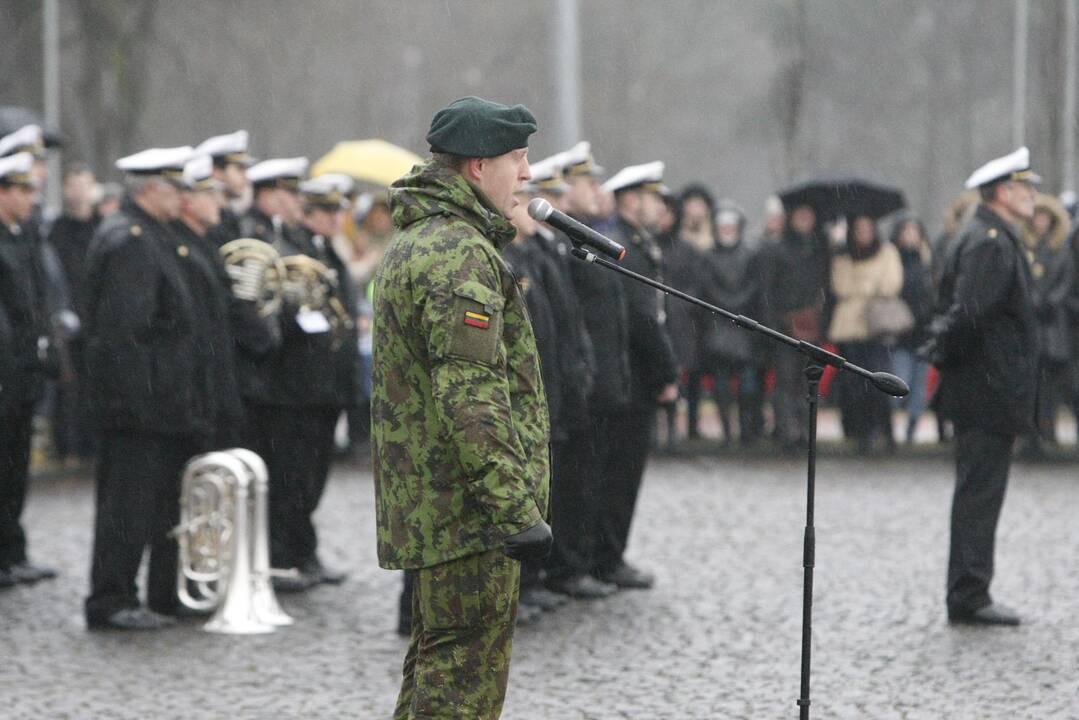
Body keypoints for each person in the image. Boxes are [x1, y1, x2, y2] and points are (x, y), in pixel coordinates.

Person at [371, 96, 552, 720]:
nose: (527, 174)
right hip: (466, 515)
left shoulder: (423, 238)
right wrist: (515, 509)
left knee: (435, 676)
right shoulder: (457, 254)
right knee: (459, 693)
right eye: (518, 158)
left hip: (439, 507)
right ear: (477, 166)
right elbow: (469, 394)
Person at [82, 145, 215, 630]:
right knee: (126, 509)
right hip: (137, 407)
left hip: (162, 402)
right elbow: (125, 336)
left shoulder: (153, 234)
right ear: (150, 189)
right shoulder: (130, 240)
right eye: (174, 187)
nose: (182, 196)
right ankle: (112, 599)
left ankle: (159, 594)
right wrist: (141, 407)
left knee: (157, 505)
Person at [923, 146, 1040, 626]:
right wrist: (941, 352)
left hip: (984, 386)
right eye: (1026, 187)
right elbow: (969, 314)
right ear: (1003, 192)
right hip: (986, 389)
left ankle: (970, 588)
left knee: (978, 491)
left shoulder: (988, 235)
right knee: (979, 493)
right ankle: (969, 593)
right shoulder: (991, 241)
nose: (1034, 195)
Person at [254, 176, 358, 589]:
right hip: (295, 387)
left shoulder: (327, 251)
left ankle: (304, 549)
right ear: (308, 213)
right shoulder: (290, 253)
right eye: (326, 213)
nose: (334, 220)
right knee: (290, 478)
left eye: (337, 212)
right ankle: (285, 555)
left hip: (324, 387)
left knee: (312, 477)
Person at [531, 143, 615, 601]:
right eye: (554, 195)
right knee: (555, 486)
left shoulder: (556, 248)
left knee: (574, 483)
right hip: (548, 389)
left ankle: (564, 566)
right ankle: (550, 571)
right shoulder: (535, 252)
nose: (561, 204)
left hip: (568, 384)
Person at [596, 160, 678, 589]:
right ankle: (607, 556)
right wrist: (665, 371)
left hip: (634, 375)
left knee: (624, 473)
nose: (659, 205)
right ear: (630, 200)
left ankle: (610, 554)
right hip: (633, 375)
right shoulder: (623, 244)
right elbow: (644, 319)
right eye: (651, 197)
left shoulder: (638, 241)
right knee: (619, 474)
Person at [0, 152, 58, 588]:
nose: (30, 199)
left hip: (23, 370)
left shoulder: (24, 237)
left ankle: (12, 551)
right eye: (21, 191)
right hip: (5, 368)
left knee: (16, 465)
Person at [171, 154, 246, 451]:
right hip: (196, 387)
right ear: (187, 201)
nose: (219, 201)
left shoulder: (205, 244)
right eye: (211, 193)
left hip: (215, 383)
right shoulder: (183, 248)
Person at [827, 214, 903, 453]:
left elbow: (891, 284)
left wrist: (863, 287)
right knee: (853, 384)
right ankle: (859, 431)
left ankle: (884, 431)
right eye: (858, 230)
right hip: (849, 328)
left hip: (876, 326)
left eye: (867, 229)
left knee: (880, 381)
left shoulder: (887, 252)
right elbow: (840, 288)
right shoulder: (843, 256)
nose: (863, 234)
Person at [759, 202, 830, 448]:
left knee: (808, 381)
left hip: (811, 324)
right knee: (786, 381)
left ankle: (805, 432)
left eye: (808, 214)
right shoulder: (776, 248)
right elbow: (766, 289)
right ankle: (787, 431)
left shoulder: (819, 249)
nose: (804, 219)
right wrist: (772, 323)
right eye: (799, 214)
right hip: (783, 325)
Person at [48, 164, 100, 467]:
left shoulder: (102, 227)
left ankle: (92, 445)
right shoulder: (57, 231)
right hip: (68, 323)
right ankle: (68, 447)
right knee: (68, 390)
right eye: (74, 185)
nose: (80, 192)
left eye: (85, 184)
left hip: (96, 322)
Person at [702, 198, 766, 446]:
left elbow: (755, 287)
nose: (727, 231)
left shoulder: (749, 255)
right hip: (719, 327)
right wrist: (727, 305)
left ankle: (747, 430)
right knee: (721, 387)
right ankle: (728, 431)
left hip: (745, 327)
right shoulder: (708, 257)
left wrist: (737, 304)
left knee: (748, 387)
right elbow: (706, 288)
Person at [1018, 193, 1072, 456]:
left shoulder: (1060, 249)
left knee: (1050, 384)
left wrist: (1050, 301)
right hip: (1029, 322)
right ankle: (1031, 435)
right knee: (1030, 384)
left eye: (1045, 217)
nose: (1040, 221)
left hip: (1052, 324)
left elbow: (1066, 281)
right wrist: (1032, 301)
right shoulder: (1023, 247)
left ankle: (1048, 431)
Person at [889, 213, 935, 444]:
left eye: (913, 230)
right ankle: (891, 427)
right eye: (905, 230)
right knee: (898, 380)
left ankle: (911, 429)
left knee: (919, 387)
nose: (910, 235)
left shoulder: (928, 261)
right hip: (900, 333)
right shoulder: (892, 261)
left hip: (924, 333)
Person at [195, 130, 254, 248]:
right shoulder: (207, 219)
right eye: (239, 169)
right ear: (216, 172)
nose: (246, 178)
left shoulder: (229, 217)